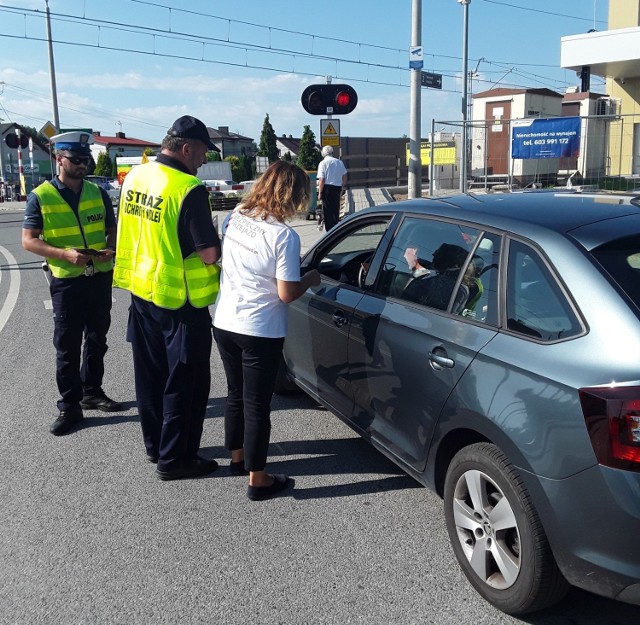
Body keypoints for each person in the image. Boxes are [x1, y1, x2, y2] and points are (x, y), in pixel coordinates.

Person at [114, 115, 221, 481]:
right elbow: (208, 254)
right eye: (203, 151)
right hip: (181, 303)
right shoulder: (187, 188)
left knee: (150, 376)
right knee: (186, 384)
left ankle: (156, 445)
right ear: (186, 148)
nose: (204, 159)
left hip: (142, 293)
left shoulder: (135, 178)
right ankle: (175, 459)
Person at [213, 161, 321, 501]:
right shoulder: (283, 235)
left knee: (235, 393)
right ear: (294, 195)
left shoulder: (238, 214)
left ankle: (237, 458)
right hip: (259, 329)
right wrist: (311, 279)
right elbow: (287, 293)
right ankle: (258, 480)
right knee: (258, 404)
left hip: (225, 320)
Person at [22, 131, 123, 436]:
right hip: (67, 281)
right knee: (66, 346)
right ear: (59, 160)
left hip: (99, 276)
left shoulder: (97, 192)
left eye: (85, 159)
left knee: (97, 339)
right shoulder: (41, 196)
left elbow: (111, 229)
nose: (82, 165)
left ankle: (92, 391)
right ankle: (70, 406)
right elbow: (28, 241)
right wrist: (62, 253)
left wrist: (111, 247)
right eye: (76, 160)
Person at [317, 145, 347, 232]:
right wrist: (342, 186)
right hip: (337, 188)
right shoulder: (339, 162)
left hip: (327, 188)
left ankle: (329, 230)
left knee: (327, 210)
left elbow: (322, 179)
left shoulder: (322, 163)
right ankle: (336, 228)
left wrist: (320, 193)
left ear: (323, 153)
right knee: (335, 209)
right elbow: (345, 175)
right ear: (332, 152)